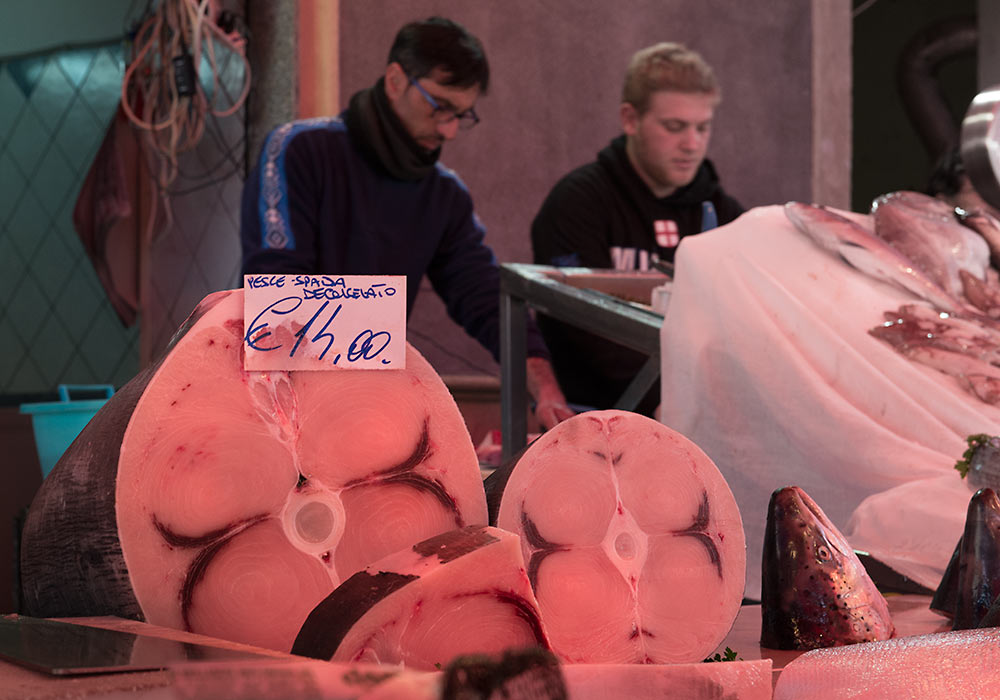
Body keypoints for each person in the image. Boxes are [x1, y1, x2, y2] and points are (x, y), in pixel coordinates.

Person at [240, 17, 572, 429]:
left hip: (365, 406)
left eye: (463, 115)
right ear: (395, 80)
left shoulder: (444, 196)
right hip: (269, 401)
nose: (449, 130)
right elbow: (277, 292)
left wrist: (545, 387)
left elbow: (486, 297)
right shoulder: (298, 150)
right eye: (440, 107)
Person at [530, 42, 744, 416]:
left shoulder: (723, 214)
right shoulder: (577, 202)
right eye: (674, 127)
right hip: (594, 420)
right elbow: (582, 329)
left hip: (701, 418)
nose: (692, 144)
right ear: (630, 119)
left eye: (702, 127)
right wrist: (663, 404)